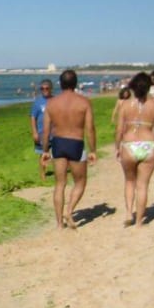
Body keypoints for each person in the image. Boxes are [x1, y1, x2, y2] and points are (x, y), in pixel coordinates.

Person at [40, 69, 97, 229]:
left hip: (58, 143)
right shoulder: (84, 102)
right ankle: (69, 211)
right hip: (76, 143)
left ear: (60, 83)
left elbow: (46, 130)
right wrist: (93, 150)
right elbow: (90, 129)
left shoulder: (52, 103)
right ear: (75, 83)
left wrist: (45, 150)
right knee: (80, 182)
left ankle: (59, 224)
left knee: (59, 184)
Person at [115, 72, 154, 226]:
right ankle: (139, 221)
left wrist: (117, 147)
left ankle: (128, 213)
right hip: (148, 145)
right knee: (143, 185)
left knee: (129, 181)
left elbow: (119, 130)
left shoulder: (125, 105)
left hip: (129, 144)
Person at [29, 79, 53, 181]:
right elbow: (33, 117)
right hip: (41, 133)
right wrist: (34, 132)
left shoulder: (55, 100)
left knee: (58, 154)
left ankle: (60, 172)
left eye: (47, 88)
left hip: (55, 133)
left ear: (51, 89)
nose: (44, 90)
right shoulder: (37, 103)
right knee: (42, 154)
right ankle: (43, 174)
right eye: (42, 88)